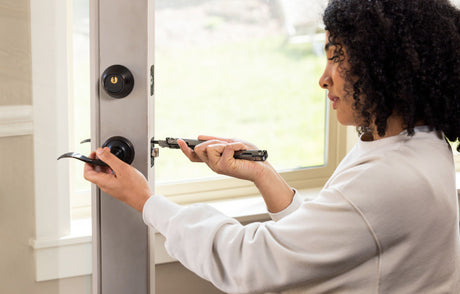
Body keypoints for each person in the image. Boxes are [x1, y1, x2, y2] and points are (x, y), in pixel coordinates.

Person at [84, 0, 460, 293]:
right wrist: (263, 175)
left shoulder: (391, 179)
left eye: (336, 58)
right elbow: (329, 237)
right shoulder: (417, 145)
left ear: (386, 67)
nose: (323, 79)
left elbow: (249, 261)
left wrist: (146, 201)